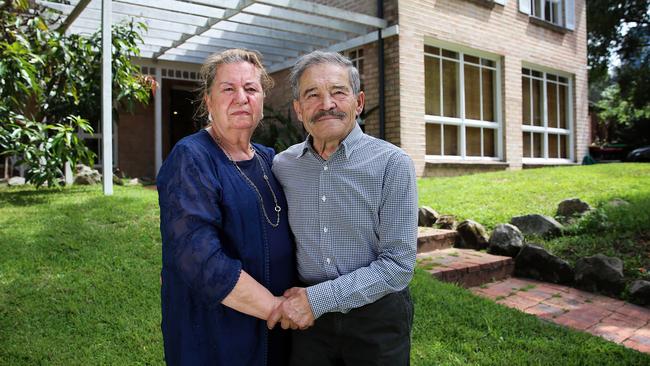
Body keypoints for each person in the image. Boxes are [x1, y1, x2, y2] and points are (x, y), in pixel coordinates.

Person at [270, 50, 418, 365]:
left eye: (338, 92)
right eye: (313, 95)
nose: (327, 105)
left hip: (377, 317)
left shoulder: (392, 164)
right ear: (298, 109)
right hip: (309, 325)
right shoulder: (282, 167)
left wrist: (316, 300)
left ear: (358, 102)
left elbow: (398, 265)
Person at [157, 49, 294, 366]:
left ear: (261, 99)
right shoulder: (191, 157)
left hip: (274, 332)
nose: (241, 98)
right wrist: (275, 308)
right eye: (228, 89)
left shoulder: (269, 158)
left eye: (251, 89)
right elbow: (198, 257)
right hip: (216, 334)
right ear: (208, 102)